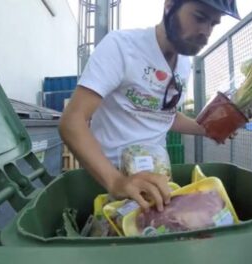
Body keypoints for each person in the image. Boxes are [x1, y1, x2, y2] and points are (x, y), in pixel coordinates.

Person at [59, 0, 240, 212]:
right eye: (199, 18)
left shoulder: (184, 64)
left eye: (213, 24)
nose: (205, 32)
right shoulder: (122, 47)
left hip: (158, 181)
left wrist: (207, 129)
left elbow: (165, 114)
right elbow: (72, 122)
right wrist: (117, 182)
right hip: (111, 183)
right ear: (170, 5)